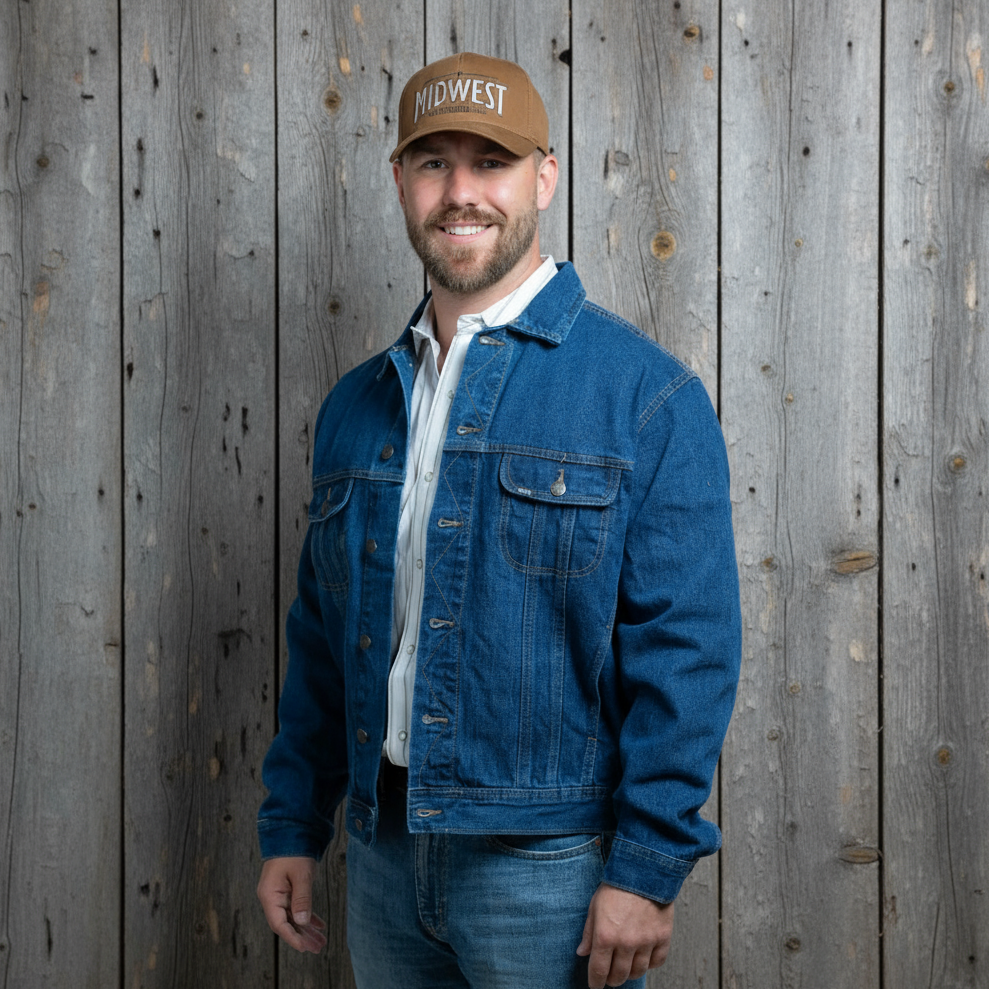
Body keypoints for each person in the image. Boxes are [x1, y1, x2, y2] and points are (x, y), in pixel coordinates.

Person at [257, 51, 741, 989]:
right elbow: (321, 640)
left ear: (544, 178)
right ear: (400, 179)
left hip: (550, 876)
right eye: (434, 162)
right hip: (384, 860)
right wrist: (292, 824)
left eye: (492, 162)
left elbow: (687, 651)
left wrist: (645, 867)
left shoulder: (644, 395)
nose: (461, 192)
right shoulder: (357, 407)